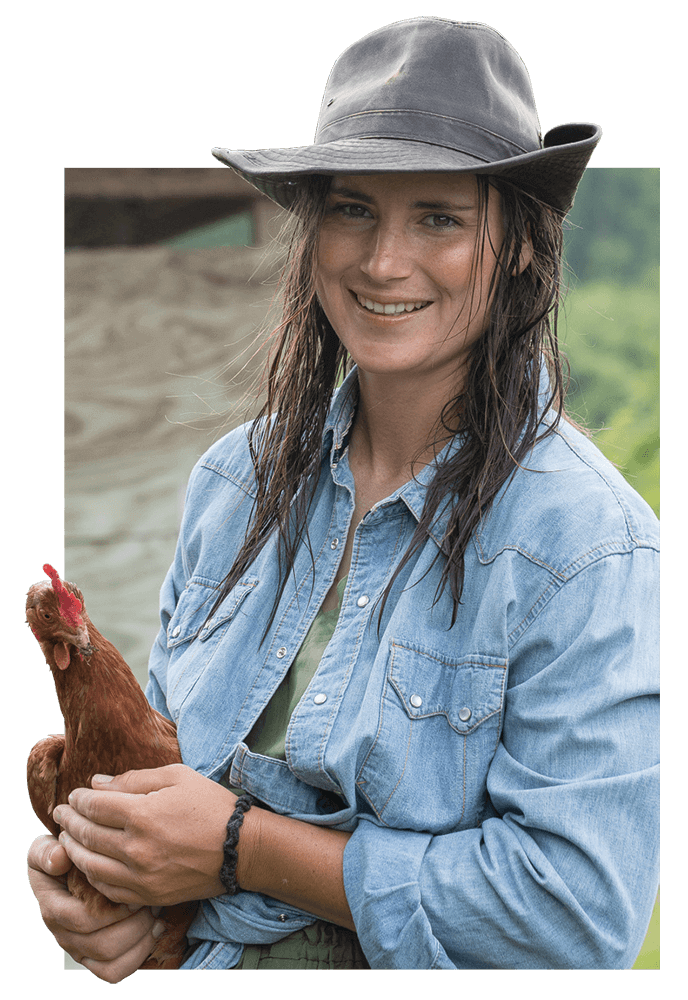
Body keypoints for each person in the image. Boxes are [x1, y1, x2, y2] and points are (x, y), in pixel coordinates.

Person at [30, 18, 659, 973]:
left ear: (522, 246)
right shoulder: (233, 486)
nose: (381, 261)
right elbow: (155, 781)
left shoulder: (587, 545)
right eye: (353, 209)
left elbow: (575, 915)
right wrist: (109, 898)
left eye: (439, 218)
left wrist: (244, 848)